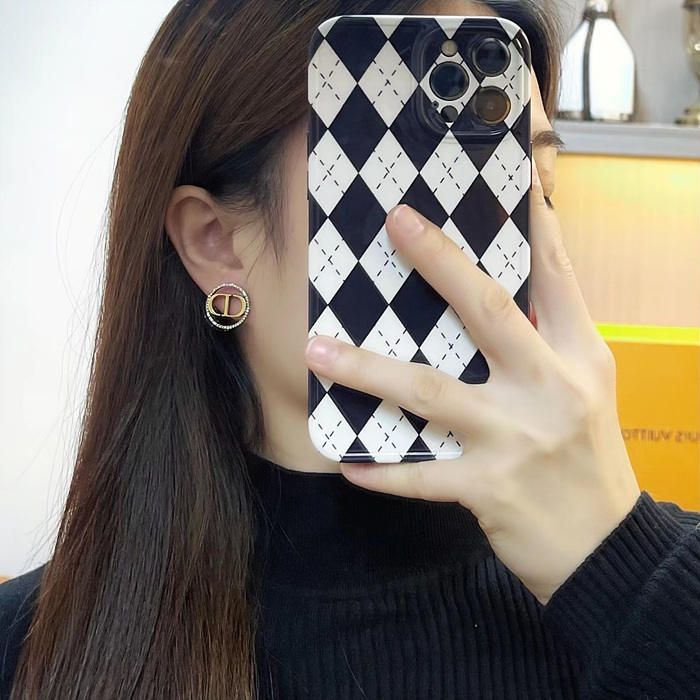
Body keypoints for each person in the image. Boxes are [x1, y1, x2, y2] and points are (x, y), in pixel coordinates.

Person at [2, 0, 700, 698]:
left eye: (532, 184)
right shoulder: (31, 651)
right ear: (216, 242)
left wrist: (622, 562)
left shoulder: (647, 595)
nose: (498, 237)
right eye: (416, 177)